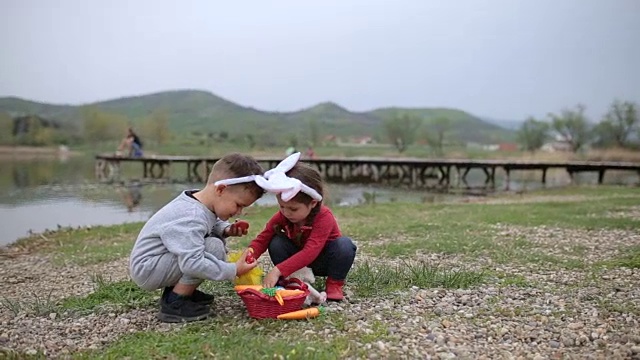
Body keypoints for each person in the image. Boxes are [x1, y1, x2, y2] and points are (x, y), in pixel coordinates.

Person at [129, 153, 264, 323]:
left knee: (211, 245)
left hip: (157, 262)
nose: (239, 212)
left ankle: (181, 291)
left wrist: (227, 230)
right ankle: (175, 302)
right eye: (238, 205)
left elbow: (208, 223)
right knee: (213, 248)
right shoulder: (191, 216)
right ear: (220, 189)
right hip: (148, 269)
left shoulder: (199, 203)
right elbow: (192, 262)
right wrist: (233, 269)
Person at [247, 152, 357, 301]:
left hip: (323, 260)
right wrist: (247, 258)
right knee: (276, 242)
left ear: (313, 203)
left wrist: (277, 270)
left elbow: (311, 251)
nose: (286, 213)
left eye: (293, 209)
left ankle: (334, 284)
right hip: (297, 263)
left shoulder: (324, 216)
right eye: (282, 206)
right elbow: (262, 239)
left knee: (344, 245)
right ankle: (294, 280)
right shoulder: (282, 216)